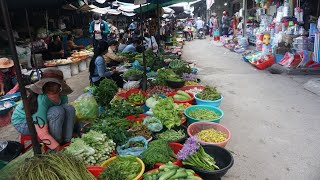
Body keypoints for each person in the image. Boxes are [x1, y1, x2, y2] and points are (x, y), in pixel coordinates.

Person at [11, 68, 75, 151]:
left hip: (44, 116)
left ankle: (66, 141)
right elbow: (43, 134)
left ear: (61, 87)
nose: (52, 92)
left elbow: (66, 115)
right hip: (23, 122)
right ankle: (55, 146)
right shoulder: (41, 100)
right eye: (48, 88)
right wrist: (57, 148)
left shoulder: (63, 96)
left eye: (55, 89)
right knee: (56, 112)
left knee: (69, 109)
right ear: (43, 87)